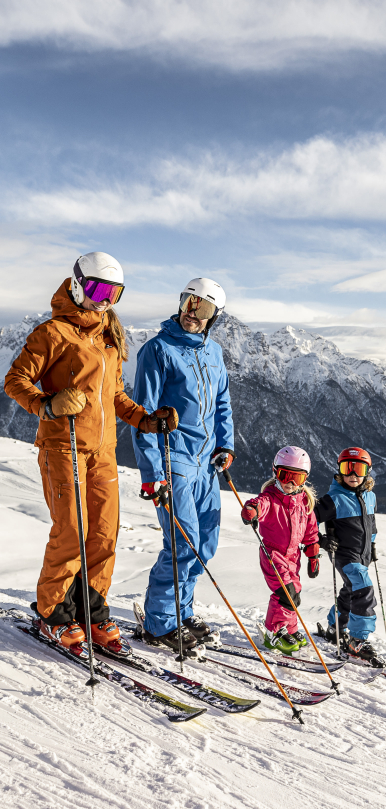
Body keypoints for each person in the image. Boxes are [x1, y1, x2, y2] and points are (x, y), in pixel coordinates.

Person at [4, 251, 176, 656]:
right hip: (63, 446)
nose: (105, 300)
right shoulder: (53, 334)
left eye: (114, 292)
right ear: (78, 284)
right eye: (98, 289)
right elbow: (15, 380)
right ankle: (53, 613)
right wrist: (46, 404)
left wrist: (146, 420)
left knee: (103, 534)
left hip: (103, 451)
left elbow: (115, 396)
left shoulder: (109, 337)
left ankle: (91, 609)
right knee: (72, 531)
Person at [132, 277, 234, 652]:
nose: (192, 312)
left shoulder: (214, 353)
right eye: (188, 302)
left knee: (204, 544)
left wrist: (226, 445)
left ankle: (180, 609)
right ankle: (159, 622)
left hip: (206, 464)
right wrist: (152, 474)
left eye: (202, 308)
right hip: (173, 460)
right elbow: (143, 415)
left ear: (214, 317)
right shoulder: (157, 351)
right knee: (183, 542)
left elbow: (222, 403)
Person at [240, 446, 320, 656]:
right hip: (272, 554)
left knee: (295, 595)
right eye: (285, 475)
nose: (290, 483)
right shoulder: (271, 497)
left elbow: (311, 532)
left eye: (297, 478)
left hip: (294, 557)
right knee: (286, 594)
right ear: (276, 472)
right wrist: (252, 510)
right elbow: (258, 504)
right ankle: (272, 633)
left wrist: (313, 554)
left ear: (305, 480)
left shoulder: (304, 503)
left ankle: (289, 629)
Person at [314, 446, 378, 661]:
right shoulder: (333, 499)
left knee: (351, 592)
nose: (352, 474)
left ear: (367, 471)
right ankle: (358, 639)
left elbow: (372, 524)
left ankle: (335, 627)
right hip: (344, 555)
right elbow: (306, 520)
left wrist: (373, 544)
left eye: (358, 469)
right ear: (339, 470)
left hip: (364, 555)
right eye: (347, 468)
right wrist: (321, 540)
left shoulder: (370, 497)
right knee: (363, 586)